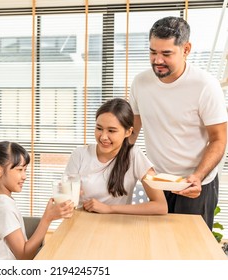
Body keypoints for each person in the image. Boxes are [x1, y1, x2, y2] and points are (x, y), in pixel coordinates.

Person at [129, 16, 227, 230]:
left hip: (195, 183)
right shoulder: (140, 83)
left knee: (191, 252)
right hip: (158, 181)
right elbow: (132, 131)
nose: (157, 60)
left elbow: (219, 139)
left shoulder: (205, 86)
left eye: (166, 54)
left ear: (186, 49)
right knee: (156, 246)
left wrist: (198, 177)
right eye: (153, 52)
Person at [65, 98, 168, 215]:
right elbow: (65, 198)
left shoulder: (133, 155)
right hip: (82, 222)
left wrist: (109, 209)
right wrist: (68, 197)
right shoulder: (80, 154)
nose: (103, 137)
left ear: (128, 132)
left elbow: (160, 206)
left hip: (117, 225)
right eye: (99, 128)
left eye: (111, 131)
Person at [0, 141, 74, 260]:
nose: (24, 176)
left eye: (25, 170)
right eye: (20, 169)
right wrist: (47, 218)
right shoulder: (3, 209)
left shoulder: (2, 201)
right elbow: (24, 256)